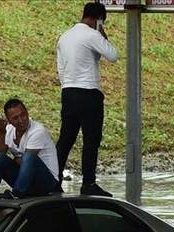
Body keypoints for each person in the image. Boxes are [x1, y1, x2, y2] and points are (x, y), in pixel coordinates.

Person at [56, 2, 119, 197]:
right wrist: (102, 35)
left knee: (66, 138)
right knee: (91, 139)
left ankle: (53, 178)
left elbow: (60, 67)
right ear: (98, 19)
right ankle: (88, 183)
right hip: (89, 93)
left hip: (68, 91)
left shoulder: (65, 36)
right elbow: (113, 55)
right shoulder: (92, 34)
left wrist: (67, 84)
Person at [0, 98, 59, 199]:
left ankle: (17, 194)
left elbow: (27, 160)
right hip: (25, 181)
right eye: (15, 118)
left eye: (23, 115)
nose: (21, 120)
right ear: (8, 120)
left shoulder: (38, 131)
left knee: (29, 157)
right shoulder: (9, 129)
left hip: (46, 182)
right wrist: (2, 133)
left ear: (27, 112)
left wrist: (18, 160)